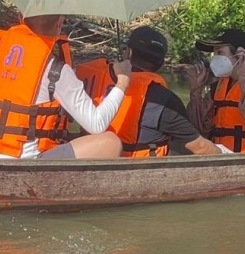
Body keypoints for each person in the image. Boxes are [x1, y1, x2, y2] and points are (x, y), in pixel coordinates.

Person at [0, 14, 130, 159]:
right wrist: (122, 82)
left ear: (21, 17)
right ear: (60, 22)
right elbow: (96, 124)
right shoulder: (56, 70)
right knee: (111, 142)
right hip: (21, 162)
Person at [74, 26, 224, 157]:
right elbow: (201, 148)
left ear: (128, 53)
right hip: (136, 174)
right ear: (161, 64)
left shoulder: (86, 77)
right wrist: (224, 153)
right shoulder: (165, 100)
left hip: (86, 162)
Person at [187, 28, 245, 153]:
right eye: (215, 54)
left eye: (220, 52)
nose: (215, 59)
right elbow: (198, 128)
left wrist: (244, 78)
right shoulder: (218, 86)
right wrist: (196, 90)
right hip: (222, 158)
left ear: (240, 54)